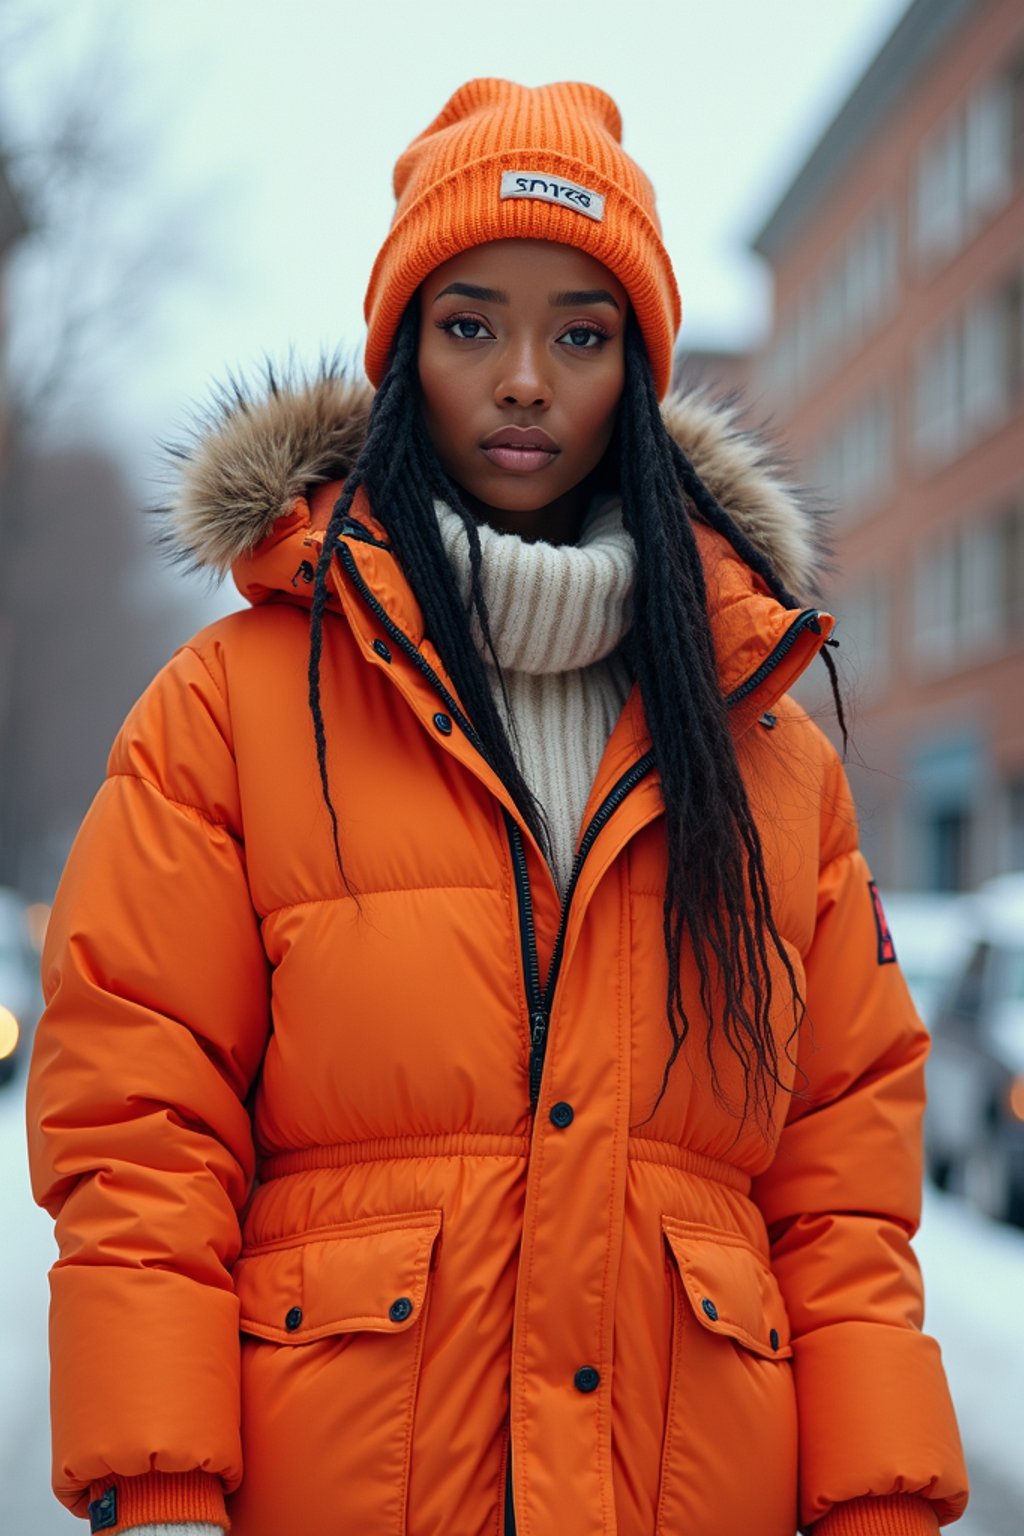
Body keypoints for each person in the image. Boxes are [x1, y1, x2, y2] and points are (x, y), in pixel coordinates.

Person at [26, 78, 969, 1536]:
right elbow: (142, 1132)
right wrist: (156, 1485)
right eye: (472, 324)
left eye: (580, 334)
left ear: (634, 378)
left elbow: (844, 1193)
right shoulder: (233, 710)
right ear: (405, 352)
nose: (525, 378)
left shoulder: (773, 757)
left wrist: (882, 1507)